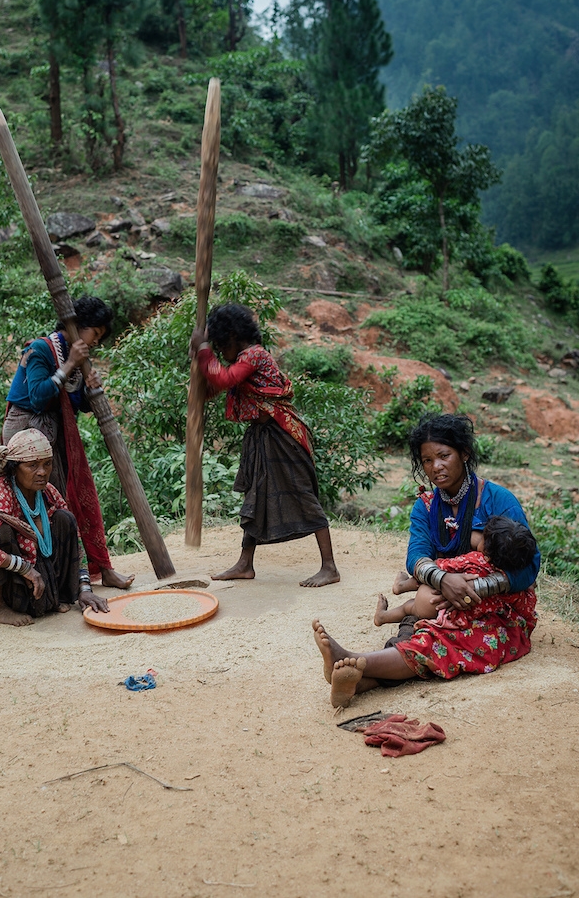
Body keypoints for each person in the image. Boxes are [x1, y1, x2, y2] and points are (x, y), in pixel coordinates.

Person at [313, 413, 541, 707]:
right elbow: (416, 556)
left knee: (441, 639)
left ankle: (355, 662)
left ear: (465, 454)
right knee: (419, 621)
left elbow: (529, 566)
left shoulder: (498, 499)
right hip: (442, 599)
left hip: (499, 609)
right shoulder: (426, 507)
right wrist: (445, 581)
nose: (436, 467)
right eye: (427, 461)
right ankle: (359, 684)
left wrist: (475, 588)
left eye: (444, 455)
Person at [189, 303, 341, 587]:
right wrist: (198, 362)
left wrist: (203, 350)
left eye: (222, 346)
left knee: (302, 494)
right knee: (255, 497)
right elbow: (214, 387)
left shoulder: (255, 355)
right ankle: (245, 564)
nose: (221, 353)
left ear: (233, 337)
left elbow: (223, 378)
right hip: (263, 436)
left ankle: (329, 566)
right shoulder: (243, 360)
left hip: (282, 435)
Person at [3, 295, 133, 590]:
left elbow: (74, 403)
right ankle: (49, 578)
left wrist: (89, 389)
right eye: (95, 333)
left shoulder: (73, 358)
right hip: (28, 438)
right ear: (78, 326)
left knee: (67, 502)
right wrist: (70, 364)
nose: (96, 342)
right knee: (41, 505)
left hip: (54, 437)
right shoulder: (40, 350)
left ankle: (88, 571)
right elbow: (38, 396)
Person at [0, 429, 109, 627]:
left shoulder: (47, 492)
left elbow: (75, 539)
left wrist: (85, 588)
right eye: (32, 465)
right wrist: (23, 567)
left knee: (65, 519)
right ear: (14, 467)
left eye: (47, 464)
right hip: (6, 579)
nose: (43, 472)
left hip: (35, 579)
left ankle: (56, 597)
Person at [374, 515, 538, 627]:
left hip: (433, 602)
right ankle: (385, 614)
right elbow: (526, 607)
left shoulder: (476, 560)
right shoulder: (508, 581)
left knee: (411, 604)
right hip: (457, 615)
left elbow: (440, 566)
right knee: (411, 607)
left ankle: (398, 592)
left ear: (487, 551)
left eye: (483, 537)